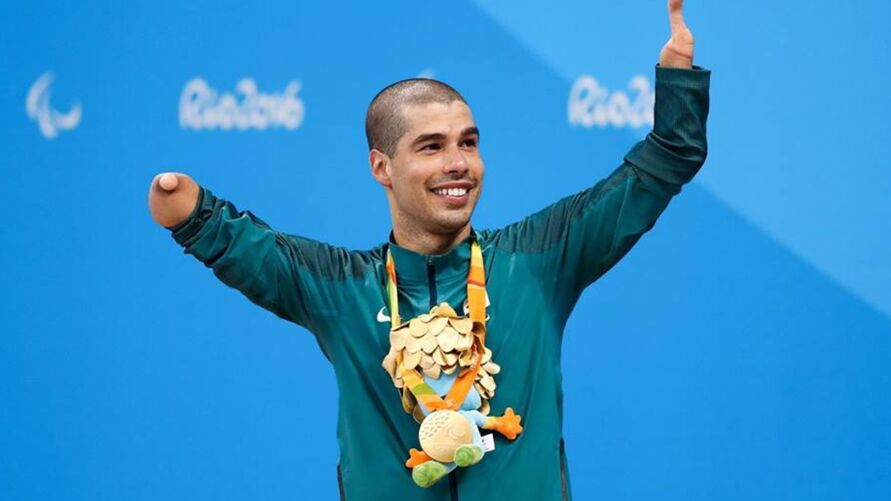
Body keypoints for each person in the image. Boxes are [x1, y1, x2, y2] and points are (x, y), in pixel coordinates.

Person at [147, 1, 709, 499]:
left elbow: (662, 164)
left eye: (468, 142)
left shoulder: (538, 260)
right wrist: (193, 213)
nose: (458, 164)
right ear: (381, 167)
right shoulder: (342, 289)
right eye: (432, 147)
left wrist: (677, 79)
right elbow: (251, 250)